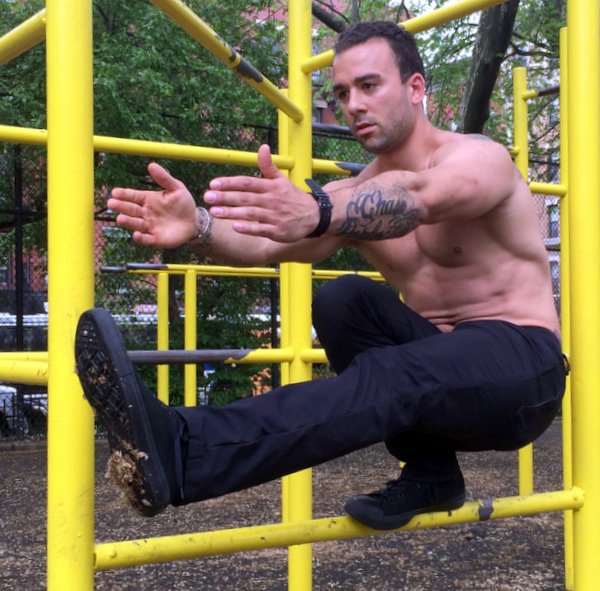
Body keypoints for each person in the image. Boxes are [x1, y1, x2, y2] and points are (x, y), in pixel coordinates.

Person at [75, 21, 566, 530]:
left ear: (416, 87)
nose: (353, 104)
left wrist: (320, 211)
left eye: (369, 85)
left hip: (521, 372)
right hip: (441, 376)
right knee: (343, 300)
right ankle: (431, 473)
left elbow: (421, 196)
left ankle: (187, 451)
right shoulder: (355, 192)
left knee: (397, 374)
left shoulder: (477, 158)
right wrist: (198, 224)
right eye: (341, 92)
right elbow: (267, 245)